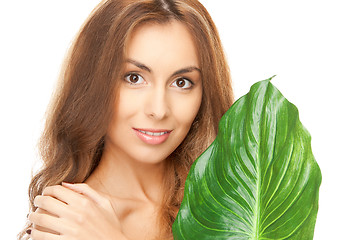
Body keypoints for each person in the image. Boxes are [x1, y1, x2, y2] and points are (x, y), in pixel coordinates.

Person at [19, 0, 234, 239]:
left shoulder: (233, 201)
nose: (159, 110)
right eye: (134, 78)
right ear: (93, 84)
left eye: (181, 82)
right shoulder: (68, 223)